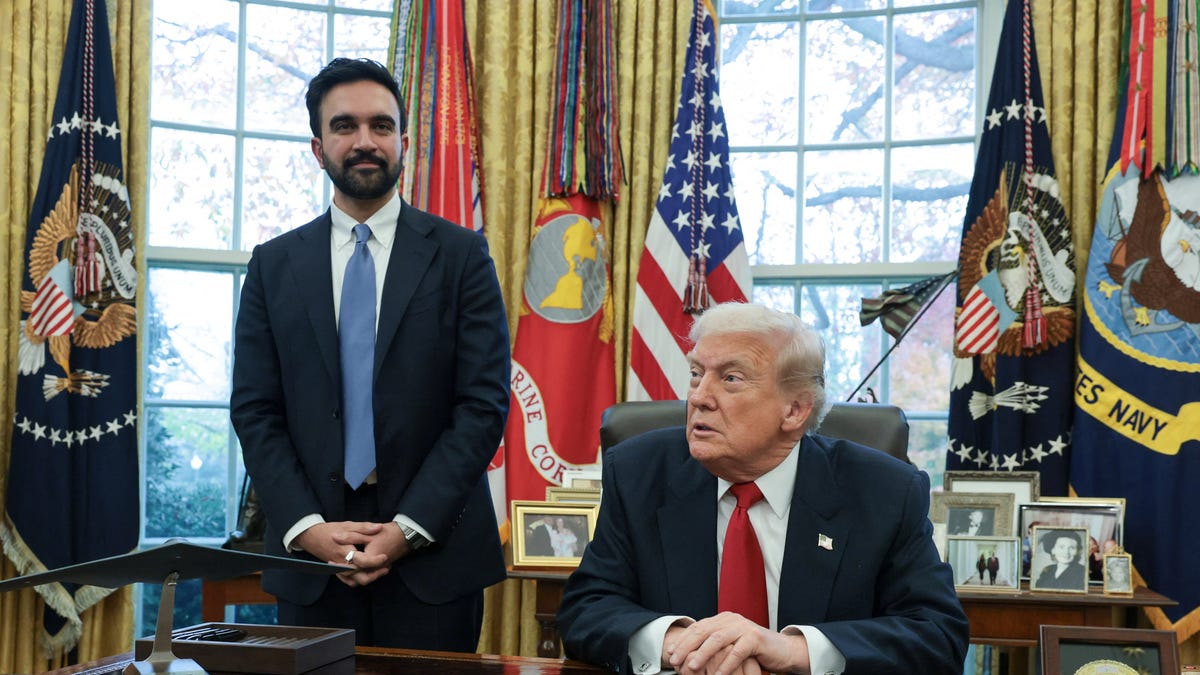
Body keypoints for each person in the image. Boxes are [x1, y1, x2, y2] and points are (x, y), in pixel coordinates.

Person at [230, 57, 510, 650]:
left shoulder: (463, 257)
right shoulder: (273, 265)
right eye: (345, 126)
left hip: (435, 556)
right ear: (317, 145)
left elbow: (482, 406)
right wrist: (307, 529)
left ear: (403, 142)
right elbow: (256, 411)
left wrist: (407, 530)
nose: (364, 141)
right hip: (312, 561)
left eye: (381, 126)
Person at [557, 302, 969, 674]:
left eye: (731, 379)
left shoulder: (884, 491)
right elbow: (587, 609)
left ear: (794, 410)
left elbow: (936, 635)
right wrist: (681, 643)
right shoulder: (638, 473)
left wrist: (789, 649)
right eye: (696, 374)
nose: (699, 397)